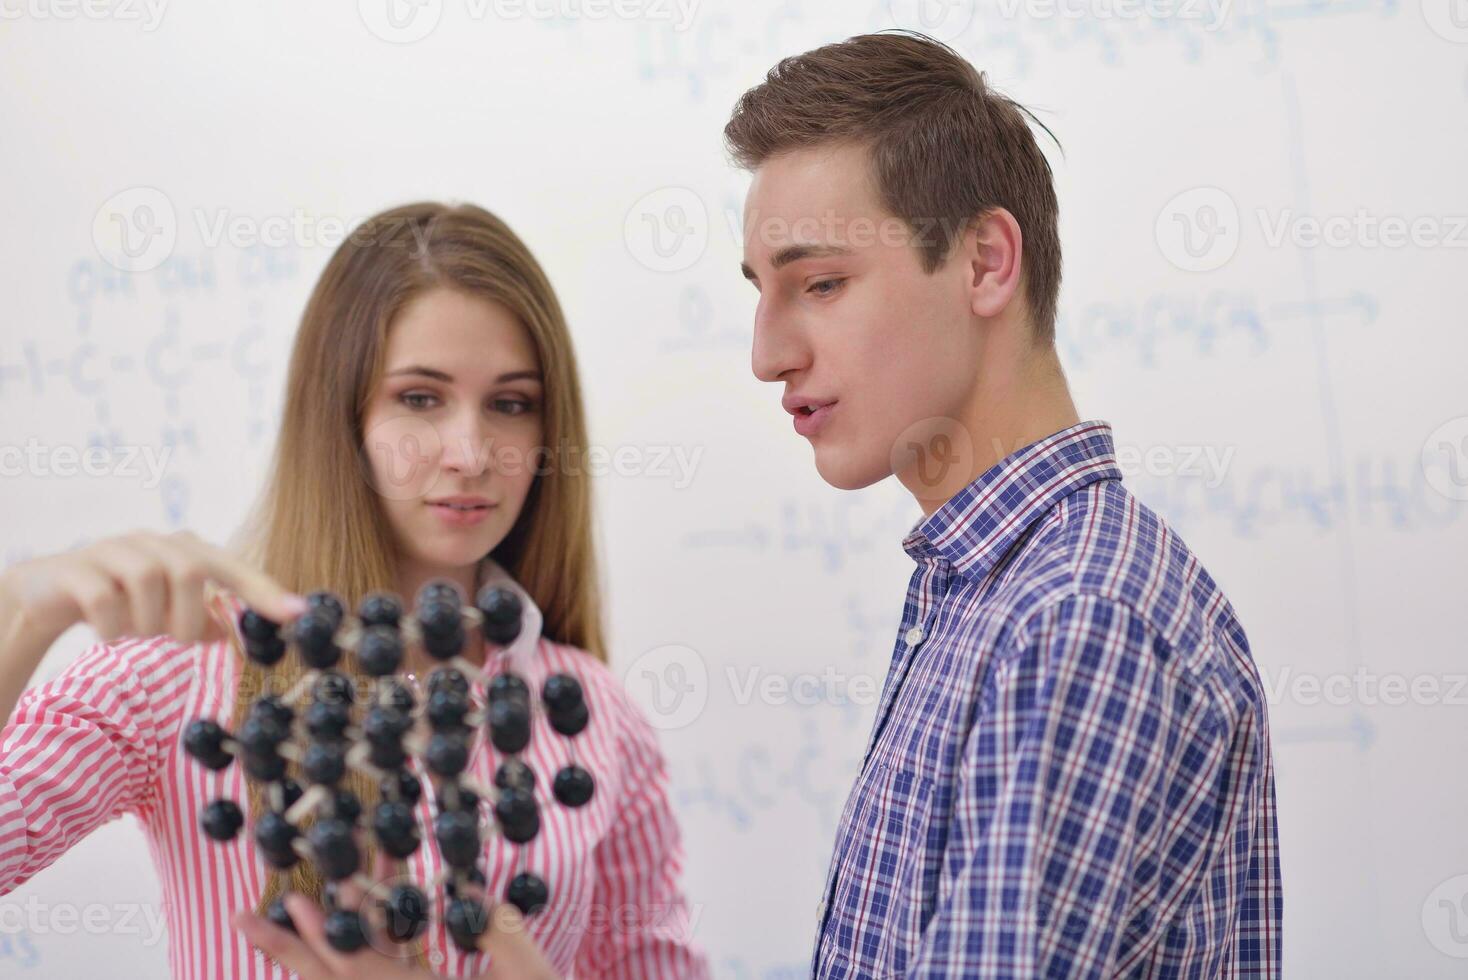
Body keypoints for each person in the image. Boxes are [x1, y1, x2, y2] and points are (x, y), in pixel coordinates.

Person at [0, 202, 711, 979]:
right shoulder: (181, 667)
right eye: (419, 398)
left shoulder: (598, 714)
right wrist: (21, 619)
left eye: (511, 404)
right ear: (341, 417)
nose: (471, 453)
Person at [725, 32, 1283, 978]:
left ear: (986, 261)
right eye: (762, 293)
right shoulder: (991, 594)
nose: (768, 353)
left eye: (820, 284)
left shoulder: (1073, 620)